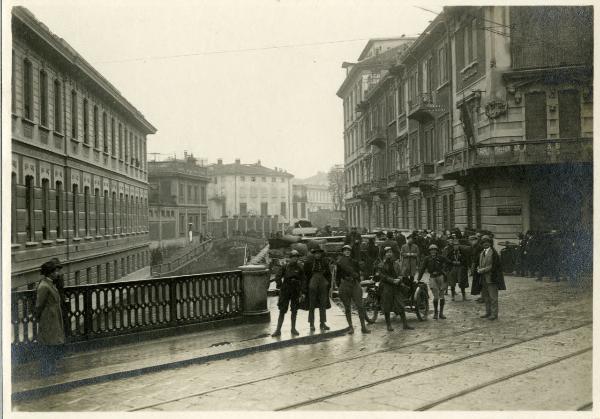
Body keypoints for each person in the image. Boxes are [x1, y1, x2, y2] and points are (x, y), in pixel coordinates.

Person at [35, 259, 66, 376]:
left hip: (53, 317)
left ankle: (51, 368)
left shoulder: (50, 284)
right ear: (50, 273)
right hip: (48, 318)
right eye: (55, 272)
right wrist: (39, 318)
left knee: (52, 343)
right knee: (48, 344)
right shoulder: (44, 286)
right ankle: (46, 370)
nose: (57, 274)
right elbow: (39, 304)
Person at [376, 247, 414, 332]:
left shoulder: (396, 264)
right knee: (387, 306)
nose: (389, 254)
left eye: (390, 252)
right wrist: (392, 280)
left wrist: (399, 279)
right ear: (384, 254)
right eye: (387, 252)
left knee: (400, 304)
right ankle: (388, 325)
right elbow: (382, 276)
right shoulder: (381, 265)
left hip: (396, 286)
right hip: (386, 286)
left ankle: (405, 324)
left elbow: (400, 273)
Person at [336, 245, 370, 334]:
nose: (347, 251)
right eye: (345, 250)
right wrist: (339, 286)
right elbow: (337, 276)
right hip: (345, 284)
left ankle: (363, 327)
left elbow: (358, 273)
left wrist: (357, 279)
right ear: (342, 252)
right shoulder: (339, 263)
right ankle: (351, 327)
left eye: (349, 250)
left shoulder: (354, 262)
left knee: (360, 306)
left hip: (354, 284)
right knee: (347, 308)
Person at [272, 250, 306, 337]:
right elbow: (278, 276)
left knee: (294, 310)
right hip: (286, 290)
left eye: (296, 257)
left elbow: (303, 280)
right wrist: (279, 285)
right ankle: (278, 330)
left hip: (295, 290)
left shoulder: (300, 267)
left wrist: (303, 291)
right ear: (290, 258)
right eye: (293, 257)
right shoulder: (285, 266)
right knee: (282, 310)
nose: (295, 259)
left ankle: (293, 329)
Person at [417, 244, 452, 320]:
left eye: (434, 250)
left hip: (441, 277)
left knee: (442, 295)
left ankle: (441, 313)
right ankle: (436, 313)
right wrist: (418, 278)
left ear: (437, 251)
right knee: (436, 296)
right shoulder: (427, 259)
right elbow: (422, 269)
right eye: (431, 250)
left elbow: (449, 262)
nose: (433, 251)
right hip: (432, 277)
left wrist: (446, 270)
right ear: (429, 251)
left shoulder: (441, 257)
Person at [476, 236, 506, 320]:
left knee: (493, 297)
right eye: (484, 242)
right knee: (486, 297)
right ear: (482, 244)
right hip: (484, 279)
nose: (485, 244)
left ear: (490, 243)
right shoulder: (482, 253)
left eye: (487, 242)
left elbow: (492, 266)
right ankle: (488, 312)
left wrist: (481, 270)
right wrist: (478, 268)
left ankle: (494, 314)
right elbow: (480, 264)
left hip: (492, 278)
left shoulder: (493, 253)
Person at [303, 247, 332, 331]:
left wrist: (328, 285)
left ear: (321, 254)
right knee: (312, 305)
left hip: (323, 284)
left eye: (319, 253)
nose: (318, 255)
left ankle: (322, 323)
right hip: (313, 284)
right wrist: (306, 287)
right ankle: (311, 324)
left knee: (323, 304)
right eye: (316, 253)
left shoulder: (325, 262)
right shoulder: (308, 263)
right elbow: (305, 276)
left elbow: (329, 274)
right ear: (313, 254)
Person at [468, 235, 485, 303]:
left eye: (472, 240)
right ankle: (482, 296)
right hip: (476, 266)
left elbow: (480, 257)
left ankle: (484, 297)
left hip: (479, 266)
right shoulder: (474, 247)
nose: (471, 242)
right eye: (470, 240)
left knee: (481, 282)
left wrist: (476, 265)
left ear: (476, 240)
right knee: (478, 282)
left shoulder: (479, 247)